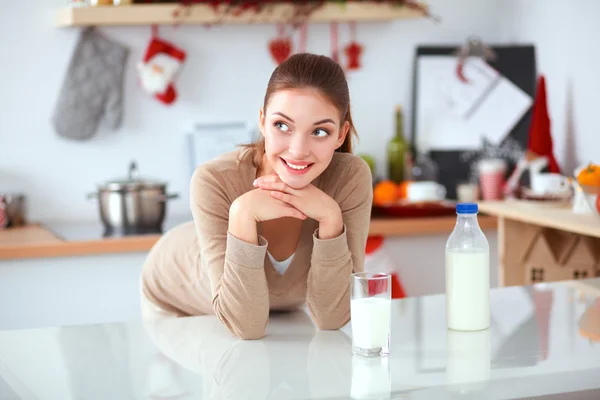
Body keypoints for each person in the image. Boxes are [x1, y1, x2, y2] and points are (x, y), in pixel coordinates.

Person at [140, 53, 373, 340]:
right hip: (176, 299)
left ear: (341, 135)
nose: (298, 150)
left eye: (320, 131)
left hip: (277, 308)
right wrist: (241, 215)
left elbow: (332, 318)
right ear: (262, 120)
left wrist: (330, 218)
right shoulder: (213, 180)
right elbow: (245, 326)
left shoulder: (350, 178)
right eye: (282, 126)